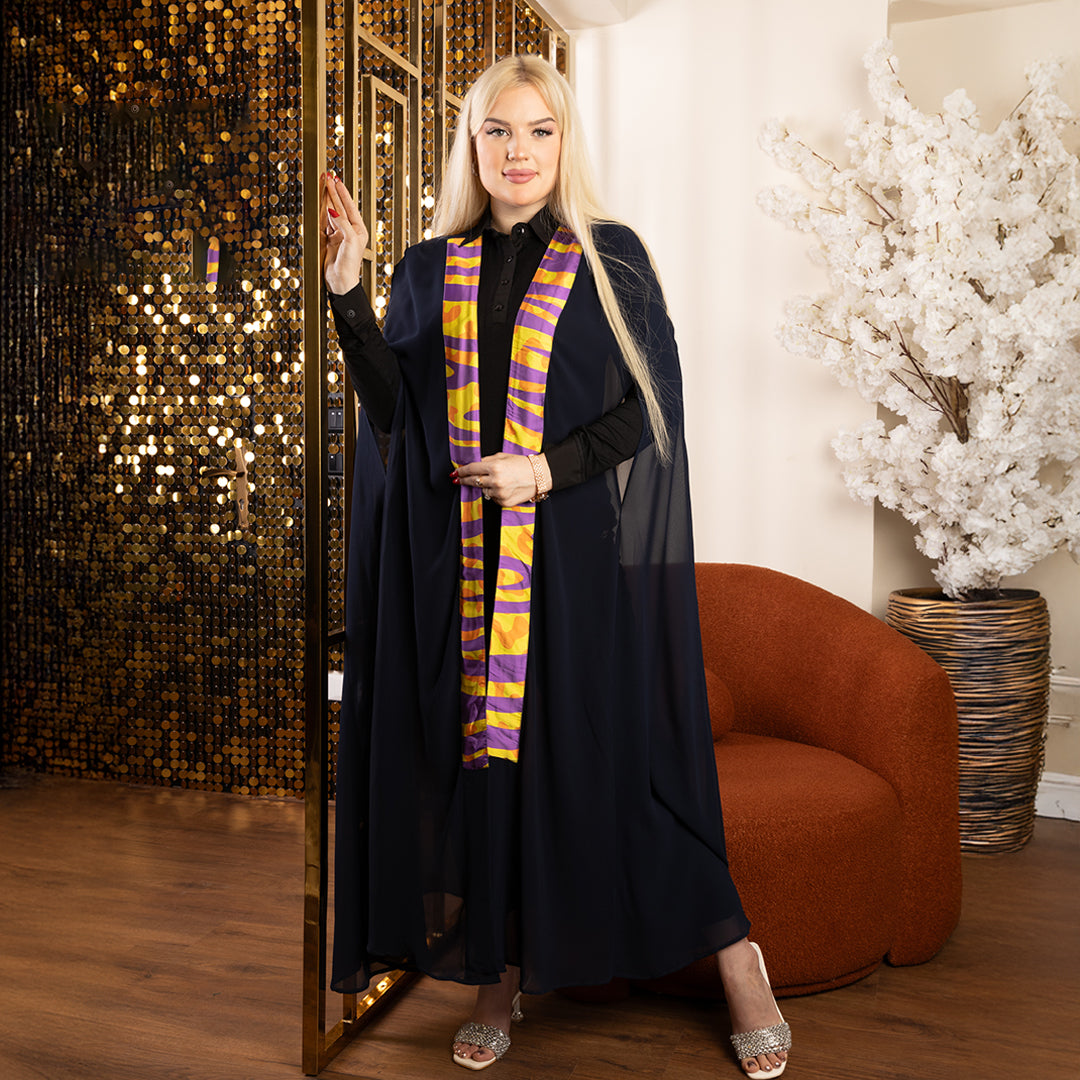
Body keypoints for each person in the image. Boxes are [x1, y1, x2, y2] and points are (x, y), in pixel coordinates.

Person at [320, 54, 792, 1077]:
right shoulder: (428, 268)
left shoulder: (609, 257)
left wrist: (543, 469)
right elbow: (399, 415)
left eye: (539, 130)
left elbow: (648, 409)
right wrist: (350, 294)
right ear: (472, 144)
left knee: (606, 772)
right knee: (486, 773)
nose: (519, 150)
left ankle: (734, 955)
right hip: (462, 570)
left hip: (571, 568)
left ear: (564, 142)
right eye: (498, 130)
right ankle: (499, 977)